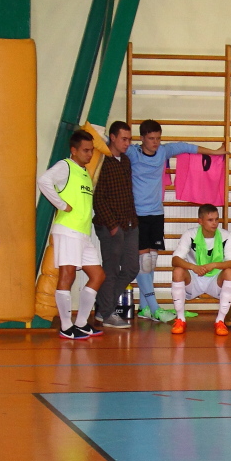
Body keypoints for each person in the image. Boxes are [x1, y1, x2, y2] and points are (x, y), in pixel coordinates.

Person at [126, 119, 226, 323]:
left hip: (156, 213)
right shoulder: (133, 153)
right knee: (144, 263)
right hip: (137, 214)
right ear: (142, 138)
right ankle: (154, 308)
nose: (155, 142)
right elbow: (110, 146)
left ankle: (144, 308)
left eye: (158, 138)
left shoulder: (163, 151)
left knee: (151, 262)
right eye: (151, 138)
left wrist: (216, 152)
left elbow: (188, 147)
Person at [38, 130, 106, 340]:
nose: (89, 154)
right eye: (85, 150)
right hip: (67, 231)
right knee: (67, 276)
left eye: (91, 150)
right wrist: (61, 204)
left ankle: (81, 323)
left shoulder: (84, 172)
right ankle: (66, 326)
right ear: (73, 150)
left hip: (83, 234)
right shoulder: (65, 166)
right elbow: (44, 181)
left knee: (98, 276)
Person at [92, 121, 138, 329]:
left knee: (131, 268)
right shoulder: (102, 161)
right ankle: (107, 313)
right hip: (109, 226)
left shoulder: (125, 161)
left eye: (129, 139)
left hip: (129, 223)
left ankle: (103, 307)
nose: (127, 143)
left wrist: (132, 221)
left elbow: (127, 194)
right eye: (124, 139)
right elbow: (98, 198)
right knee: (110, 269)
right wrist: (112, 226)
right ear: (112, 137)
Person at [169, 204, 231, 336]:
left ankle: (220, 321)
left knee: (230, 272)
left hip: (215, 279)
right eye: (210, 220)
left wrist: (213, 265)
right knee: (178, 271)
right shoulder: (190, 234)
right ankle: (180, 319)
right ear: (200, 221)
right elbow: (175, 260)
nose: (215, 223)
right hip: (194, 278)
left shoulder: (226, 236)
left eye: (217, 219)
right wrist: (193, 267)